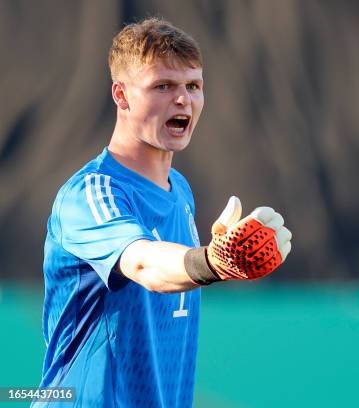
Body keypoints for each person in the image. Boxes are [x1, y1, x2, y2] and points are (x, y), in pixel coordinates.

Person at [34, 17, 292, 407]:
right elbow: (143, 265)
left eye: (193, 85)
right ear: (121, 96)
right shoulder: (90, 193)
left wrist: (215, 258)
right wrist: (213, 261)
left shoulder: (181, 191)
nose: (183, 99)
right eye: (163, 86)